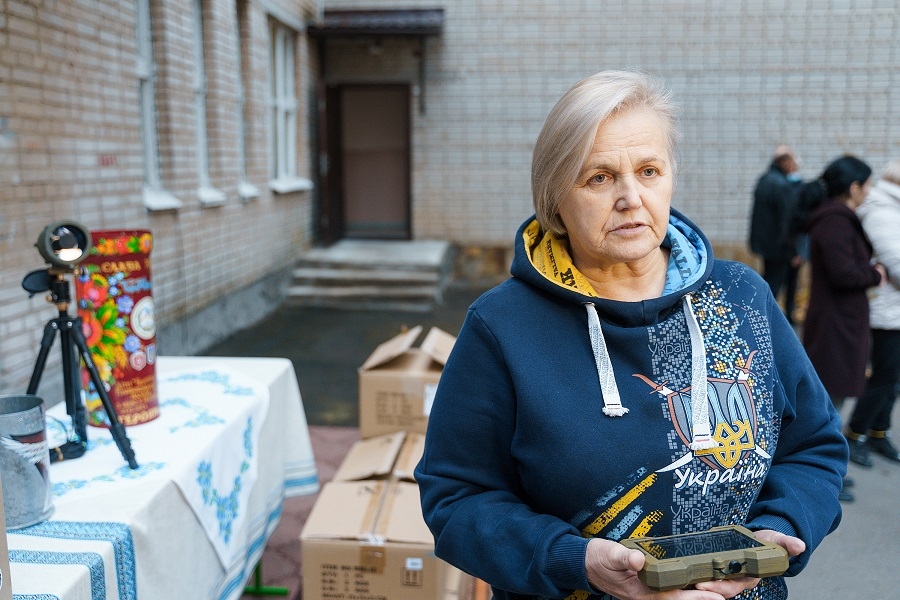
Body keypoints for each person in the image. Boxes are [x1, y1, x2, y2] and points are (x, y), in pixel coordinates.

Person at [416, 71, 848, 600]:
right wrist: (575, 560)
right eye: (598, 177)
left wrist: (781, 528)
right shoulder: (503, 326)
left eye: (648, 170)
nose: (630, 197)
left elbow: (815, 446)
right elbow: (457, 499)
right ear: (554, 198)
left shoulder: (742, 297)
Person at [797, 156, 887, 471]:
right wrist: (875, 274)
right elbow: (843, 273)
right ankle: (825, 471)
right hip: (836, 323)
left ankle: (828, 469)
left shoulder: (837, 218)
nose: (870, 190)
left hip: (840, 320)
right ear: (854, 187)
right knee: (829, 403)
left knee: (832, 398)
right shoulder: (834, 221)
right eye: (868, 184)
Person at [844, 159, 900, 466]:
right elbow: (897, 263)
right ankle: (856, 434)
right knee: (884, 375)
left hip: (894, 309)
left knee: (892, 378)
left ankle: (879, 431)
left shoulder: (892, 208)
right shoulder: (883, 212)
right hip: (887, 312)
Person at [749, 145, 803, 324]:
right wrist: (795, 249)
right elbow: (786, 221)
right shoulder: (781, 185)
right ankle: (766, 319)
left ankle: (763, 316)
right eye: (793, 162)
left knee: (770, 280)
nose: (795, 166)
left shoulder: (765, 180)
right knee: (776, 284)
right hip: (780, 246)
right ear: (785, 162)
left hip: (766, 244)